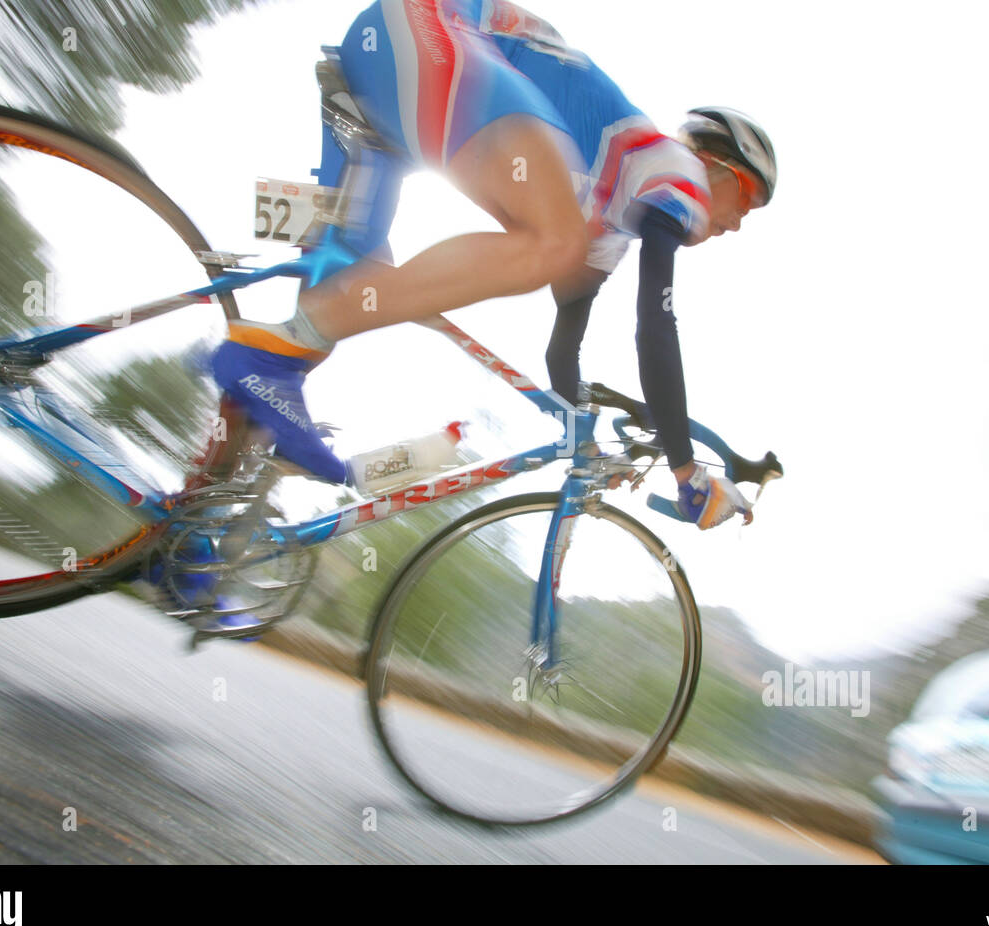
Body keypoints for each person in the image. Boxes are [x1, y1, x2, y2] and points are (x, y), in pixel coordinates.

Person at [211, 0, 776, 529]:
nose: (739, 221)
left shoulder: (611, 226)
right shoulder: (677, 171)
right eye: (748, 198)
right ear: (715, 164)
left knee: (327, 318)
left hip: (385, 67)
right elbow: (656, 327)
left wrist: (593, 442)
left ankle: (192, 522)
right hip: (433, 28)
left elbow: (563, 355)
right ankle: (270, 347)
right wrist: (687, 470)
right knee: (554, 245)